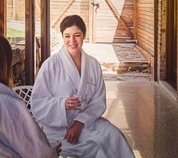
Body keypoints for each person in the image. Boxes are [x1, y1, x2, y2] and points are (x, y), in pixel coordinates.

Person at [31, 15, 135, 158]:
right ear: (62, 36)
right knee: (97, 146)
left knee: (115, 136)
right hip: (59, 128)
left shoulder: (93, 65)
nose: (72, 41)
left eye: (77, 35)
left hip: (87, 122)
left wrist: (80, 123)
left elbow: (98, 101)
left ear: (84, 36)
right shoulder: (50, 65)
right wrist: (62, 104)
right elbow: (37, 103)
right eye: (67, 36)